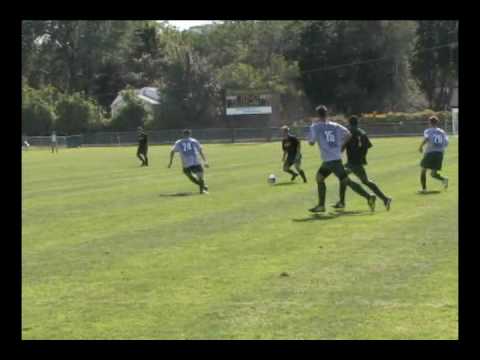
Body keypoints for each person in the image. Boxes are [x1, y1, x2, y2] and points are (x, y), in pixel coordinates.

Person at [308, 105, 376, 213]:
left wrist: (311, 130)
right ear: (326, 114)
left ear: (317, 115)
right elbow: (349, 135)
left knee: (346, 181)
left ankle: (369, 197)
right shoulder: (335, 125)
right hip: (333, 159)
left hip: (331, 161)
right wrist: (340, 145)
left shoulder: (315, 126)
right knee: (320, 178)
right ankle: (321, 205)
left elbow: (311, 142)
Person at [334, 116, 392, 210]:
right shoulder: (362, 132)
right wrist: (362, 156)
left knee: (344, 178)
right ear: (357, 123)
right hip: (358, 161)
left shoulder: (349, 132)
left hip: (352, 162)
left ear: (349, 123)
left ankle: (373, 197)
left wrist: (340, 149)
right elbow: (368, 146)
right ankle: (385, 199)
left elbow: (343, 146)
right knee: (364, 181)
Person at [168, 129, 209, 194]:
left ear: (183, 134)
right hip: (196, 161)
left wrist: (170, 162)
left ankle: (203, 187)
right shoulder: (194, 141)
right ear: (190, 134)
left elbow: (172, 151)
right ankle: (202, 190)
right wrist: (205, 161)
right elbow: (200, 151)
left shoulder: (178, 142)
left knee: (190, 176)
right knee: (200, 176)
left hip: (186, 163)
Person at [418, 116, 449, 192]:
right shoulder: (442, 131)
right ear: (437, 122)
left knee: (423, 170)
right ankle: (444, 179)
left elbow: (426, 138)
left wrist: (421, 146)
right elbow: (446, 142)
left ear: (430, 123)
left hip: (430, 153)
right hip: (440, 153)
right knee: (433, 174)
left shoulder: (428, 131)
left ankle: (424, 189)